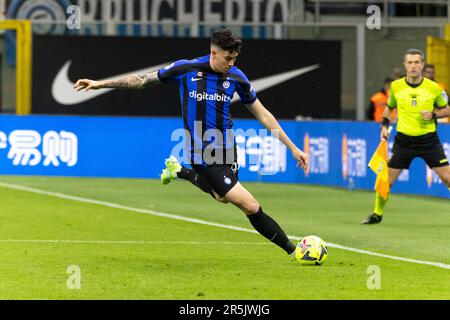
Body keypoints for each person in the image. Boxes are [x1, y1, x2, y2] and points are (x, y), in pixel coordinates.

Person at [73, 27, 309, 259]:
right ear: (213, 53)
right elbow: (142, 80)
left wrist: (293, 147)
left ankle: (179, 170)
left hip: (227, 148)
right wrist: (100, 84)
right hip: (202, 154)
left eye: (235, 58)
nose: (231, 63)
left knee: (222, 197)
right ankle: (295, 251)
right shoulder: (186, 69)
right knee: (250, 205)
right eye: (228, 58)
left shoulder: (237, 77)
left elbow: (263, 114)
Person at [361, 49, 450, 224]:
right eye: (410, 63)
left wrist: (433, 114)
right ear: (405, 65)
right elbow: (389, 108)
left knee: (447, 178)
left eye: (417, 62)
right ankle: (377, 213)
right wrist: (385, 126)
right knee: (385, 180)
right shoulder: (396, 86)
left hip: (429, 140)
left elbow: (446, 109)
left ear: (422, 65)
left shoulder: (433, 88)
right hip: (404, 141)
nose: (413, 66)